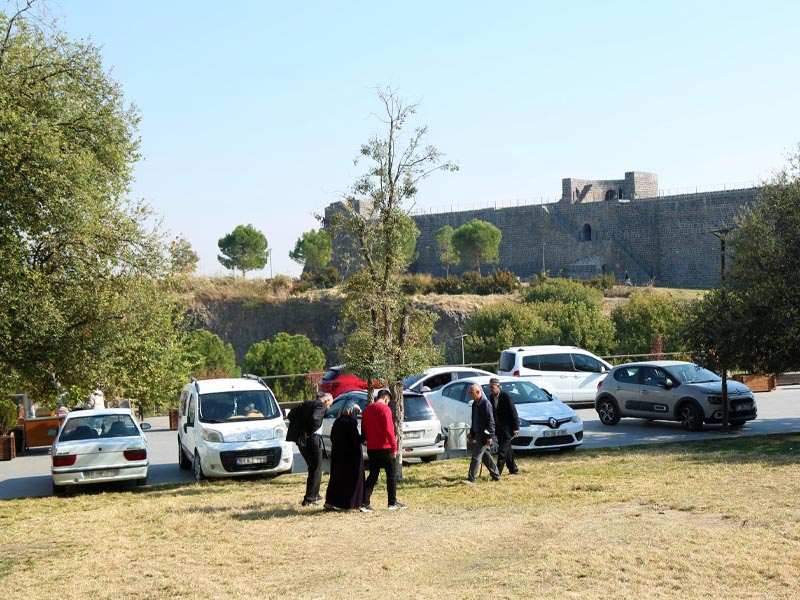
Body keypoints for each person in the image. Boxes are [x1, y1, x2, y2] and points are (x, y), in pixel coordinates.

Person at [360, 389, 406, 512]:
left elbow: (363, 429)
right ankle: (392, 502)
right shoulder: (385, 409)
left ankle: (364, 502)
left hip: (372, 448)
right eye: (388, 401)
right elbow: (389, 430)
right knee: (390, 475)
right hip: (385, 447)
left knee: (373, 475)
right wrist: (394, 447)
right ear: (386, 398)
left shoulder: (366, 410)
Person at [287, 391, 334, 507]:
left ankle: (314, 494)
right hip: (313, 439)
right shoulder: (321, 405)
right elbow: (314, 418)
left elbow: (291, 414)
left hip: (302, 440)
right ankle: (310, 499)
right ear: (326, 400)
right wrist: (311, 430)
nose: (329, 408)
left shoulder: (306, 403)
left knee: (313, 468)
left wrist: (301, 428)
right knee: (316, 468)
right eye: (330, 405)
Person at [324, 400, 365, 511]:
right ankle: (349, 503)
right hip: (350, 457)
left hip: (338, 455)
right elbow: (355, 440)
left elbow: (333, 438)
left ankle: (331, 501)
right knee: (350, 480)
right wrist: (364, 436)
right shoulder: (350, 423)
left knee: (336, 478)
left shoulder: (337, 422)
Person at [462, 383, 500, 484]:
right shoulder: (475, 404)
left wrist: (489, 436)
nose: (470, 395)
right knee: (485, 456)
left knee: (476, 456)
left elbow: (491, 421)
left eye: (472, 393)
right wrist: (472, 433)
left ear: (478, 392)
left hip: (484, 435)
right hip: (478, 434)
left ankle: (471, 478)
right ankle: (496, 475)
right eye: (469, 393)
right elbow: (474, 419)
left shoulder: (486, 404)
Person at [488, 378, 520, 476]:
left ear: (498, 386)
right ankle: (513, 469)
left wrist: (516, 427)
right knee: (507, 450)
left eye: (492, 387)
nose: (491, 389)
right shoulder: (491, 397)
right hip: (498, 428)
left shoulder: (506, 396)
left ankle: (497, 472)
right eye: (490, 387)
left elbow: (513, 412)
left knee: (502, 451)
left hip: (507, 428)